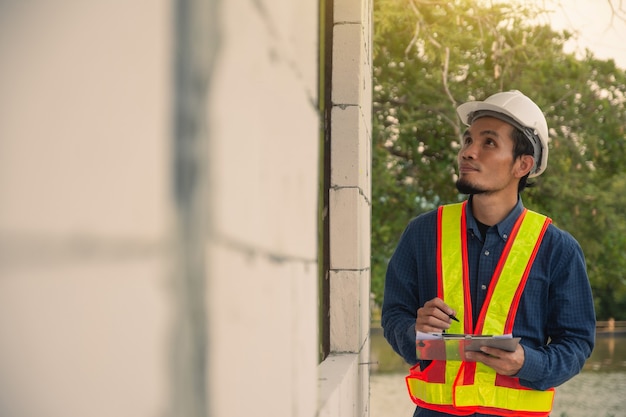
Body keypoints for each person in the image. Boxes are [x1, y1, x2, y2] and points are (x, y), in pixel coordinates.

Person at [381, 90, 596, 417]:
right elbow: (395, 316)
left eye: (489, 143)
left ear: (522, 165)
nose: (468, 152)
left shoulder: (557, 249)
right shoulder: (423, 233)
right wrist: (418, 333)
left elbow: (577, 344)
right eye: (468, 140)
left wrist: (527, 362)